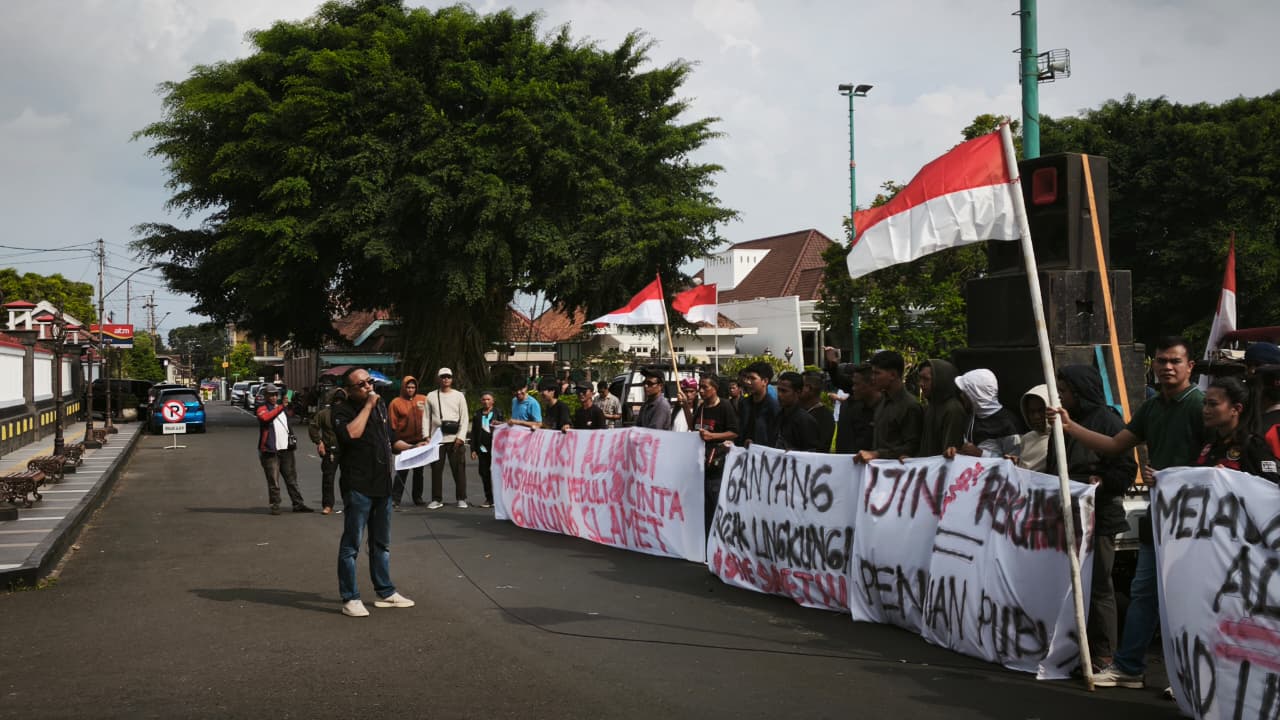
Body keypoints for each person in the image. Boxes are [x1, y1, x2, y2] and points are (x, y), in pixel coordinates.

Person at [1047, 336, 1205, 689]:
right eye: (1161, 360)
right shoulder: (1151, 409)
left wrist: (1179, 477)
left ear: (1190, 366)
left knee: (1188, 594)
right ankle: (1129, 666)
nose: (1166, 367)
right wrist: (1070, 427)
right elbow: (1116, 444)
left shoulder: (1199, 406)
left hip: (1196, 519)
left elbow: (1213, 456)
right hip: (1160, 514)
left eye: (1174, 361)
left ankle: (1187, 675)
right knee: (1145, 591)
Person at [1047, 365, 1137, 673]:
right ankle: (1074, 648)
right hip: (1069, 515)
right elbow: (1053, 466)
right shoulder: (1063, 423)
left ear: (1081, 391)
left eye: (1066, 391)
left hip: (1100, 518)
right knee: (1071, 584)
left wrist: (1099, 483)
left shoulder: (1108, 421)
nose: (1061, 396)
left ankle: (1104, 654)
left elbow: (1125, 470)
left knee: (1098, 585)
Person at [332, 367, 417, 617]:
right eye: (362, 384)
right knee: (351, 545)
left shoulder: (380, 407)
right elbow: (352, 434)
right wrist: (368, 405)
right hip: (358, 486)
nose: (369, 387)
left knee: (381, 543)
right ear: (349, 390)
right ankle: (350, 598)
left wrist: (416, 448)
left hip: (382, 486)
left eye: (370, 381)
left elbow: (391, 440)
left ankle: (386, 591)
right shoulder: (342, 410)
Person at [1197, 376, 1280, 483]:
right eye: (1205, 403)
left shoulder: (1253, 445)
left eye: (1213, 404)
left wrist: (1231, 478)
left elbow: (1271, 488)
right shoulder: (1210, 443)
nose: (1205, 410)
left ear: (1236, 409)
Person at [855, 351, 922, 462]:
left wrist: (877, 454)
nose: (873, 378)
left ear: (892, 375)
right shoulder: (883, 401)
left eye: (877, 373)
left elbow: (913, 447)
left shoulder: (910, 406)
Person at [255, 383, 312, 515]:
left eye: (276, 394)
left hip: (286, 449)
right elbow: (265, 418)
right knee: (273, 481)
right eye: (271, 395)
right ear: (266, 396)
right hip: (270, 451)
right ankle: (275, 505)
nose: (274, 397)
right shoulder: (262, 408)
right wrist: (281, 407)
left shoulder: (282, 409)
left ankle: (298, 504)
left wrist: (294, 404)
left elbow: (290, 416)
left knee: (291, 479)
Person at [694, 374, 738, 536]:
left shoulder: (725, 406)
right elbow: (695, 428)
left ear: (715, 389)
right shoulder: (702, 407)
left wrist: (712, 437)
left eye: (705, 387)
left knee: (714, 506)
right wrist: (685, 406)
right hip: (701, 465)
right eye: (700, 386)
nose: (701, 390)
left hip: (717, 466)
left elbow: (734, 432)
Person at [947, 368, 1021, 459]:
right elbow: (969, 452)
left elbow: (1016, 462)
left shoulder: (1007, 423)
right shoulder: (972, 418)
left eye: (966, 391)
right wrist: (956, 453)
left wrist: (981, 454)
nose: (961, 395)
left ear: (976, 393)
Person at [425, 368, 470, 509]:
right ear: (438, 379)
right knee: (436, 471)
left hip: (455, 438)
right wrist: (426, 436)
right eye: (443, 377)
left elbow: (465, 417)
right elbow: (426, 417)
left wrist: (461, 437)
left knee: (459, 470)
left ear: (452, 379)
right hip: (437, 438)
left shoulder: (458, 396)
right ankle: (436, 499)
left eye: (448, 377)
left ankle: (461, 498)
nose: (446, 379)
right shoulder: (431, 396)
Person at [388, 375, 427, 507]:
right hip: (404, 442)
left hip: (420, 441)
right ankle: (395, 498)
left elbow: (430, 417)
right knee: (402, 470)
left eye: (413, 387)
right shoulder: (396, 402)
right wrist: (394, 442)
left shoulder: (423, 399)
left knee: (419, 472)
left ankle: (418, 498)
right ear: (404, 388)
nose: (411, 389)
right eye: (408, 387)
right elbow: (392, 424)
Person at [308, 387, 346, 515]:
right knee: (328, 479)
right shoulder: (324, 414)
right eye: (337, 400)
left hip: (347, 450)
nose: (339, 403)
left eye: (341, 400)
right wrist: (319, 442)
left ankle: (349, 504)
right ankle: (328, 505)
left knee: (348, 479)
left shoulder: (349, 414)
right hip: (330, 451)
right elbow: (313, 427)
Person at [917, 359, 967, 457]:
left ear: (940, 380)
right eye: (920, 378)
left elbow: (950, 451)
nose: (921, 384)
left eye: (926, 379)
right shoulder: (931, 406)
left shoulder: (953, 409)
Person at [469, 391, 505, 508]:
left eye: (488, 399)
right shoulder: (477, 414)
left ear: (493, 401)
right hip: (482, 449)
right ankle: (489, 498)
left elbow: (504, 428)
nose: (486, 401)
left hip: (495, 449)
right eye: (484, 399)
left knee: (497, 473)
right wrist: (473, 449)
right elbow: (474, 433)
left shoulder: (498, 413)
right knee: (484, 473)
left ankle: (500, 498)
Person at [834, 364, 877, 454]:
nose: (853, 388)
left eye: (857, 384)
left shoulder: (887, 410)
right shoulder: (849, 407)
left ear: (872, 383)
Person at [736, 361, 780, 447]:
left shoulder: (773, 406)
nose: (748, 382)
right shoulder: (744, 403)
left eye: (752, 378)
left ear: (765, 381)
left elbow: (774, 437)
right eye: (747, 378)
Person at [774, 371, 820, 451]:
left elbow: (811, 453)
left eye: (784, 391)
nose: (779, 394)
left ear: (798, 392)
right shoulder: (778, 415)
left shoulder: (805, 420)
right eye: (778, 390)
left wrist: (794, 453)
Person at [1015, 384, 1050, 471]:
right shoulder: (1027, 438)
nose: (1036, 416)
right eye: (1031, 412)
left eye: (1041, 410)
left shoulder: (1061, 439)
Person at [800, 370, 835, 451]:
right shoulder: (797, 411)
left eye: (799, 386)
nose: (796, 390)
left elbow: (820, 448)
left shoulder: (825, 417)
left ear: (809, 389)